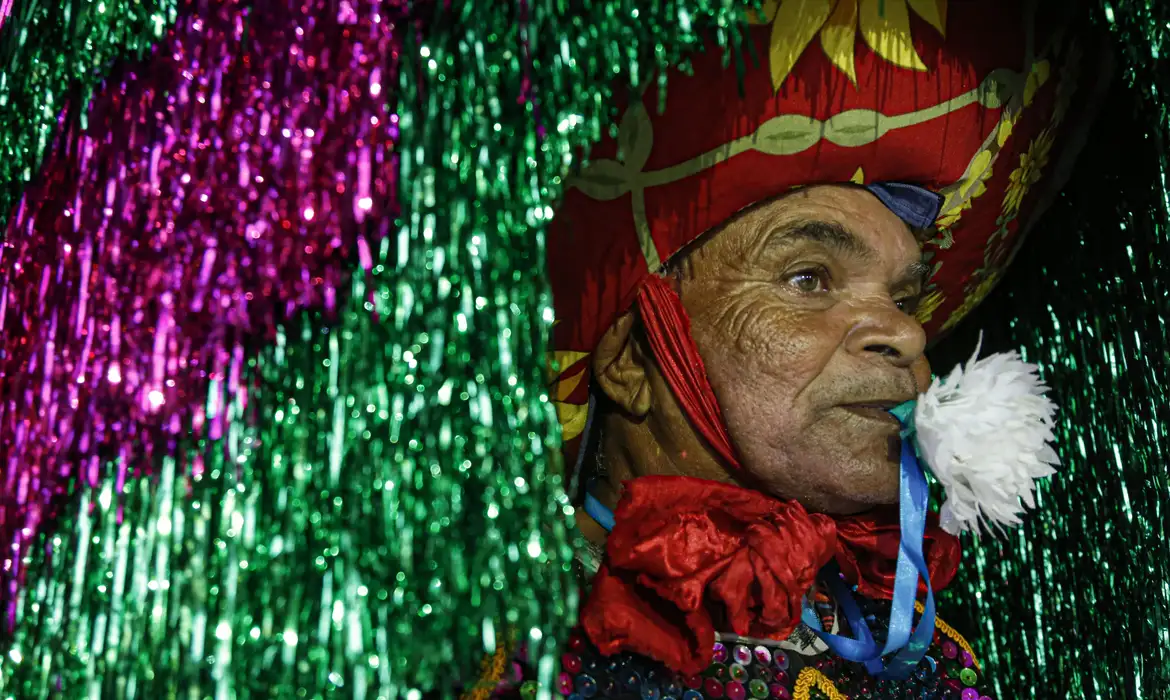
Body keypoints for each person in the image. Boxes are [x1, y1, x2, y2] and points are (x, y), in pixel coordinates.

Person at [469, 1, 1105, 698]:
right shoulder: (510, 655)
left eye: (902, 299)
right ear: (630, 361)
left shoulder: (926, 655)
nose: (907, 333)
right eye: (808, 278)